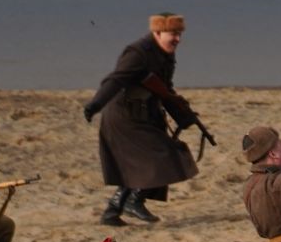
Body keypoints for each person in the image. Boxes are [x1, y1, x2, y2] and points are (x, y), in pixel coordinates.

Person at [82, 13, 207, 225]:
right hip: (124, 117)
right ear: (157, 33)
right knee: (158, 157)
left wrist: (184, 115)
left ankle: (120, 208)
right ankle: (126, 204)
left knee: (158, 157)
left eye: (179, 34)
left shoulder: (166, 54)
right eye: (172, 34)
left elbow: (163, 88)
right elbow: (116, 79)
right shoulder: (138, 52)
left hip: (144, 114)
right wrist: (96, 104)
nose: (177, 39)